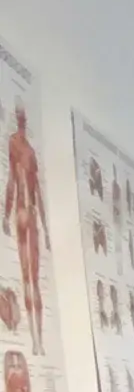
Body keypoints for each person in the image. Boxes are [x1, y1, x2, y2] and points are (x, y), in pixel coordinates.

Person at [4, 103, 51, 356]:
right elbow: (14, 182)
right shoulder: (20, 146)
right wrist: (6, 214)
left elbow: (36, 192)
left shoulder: (26, 149)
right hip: (26, 213)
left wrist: (45, 226)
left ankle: (38, 341)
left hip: (27, 214)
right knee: (28, 279)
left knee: (30, 280)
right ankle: (36, 342)